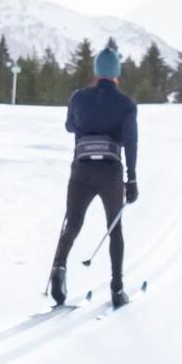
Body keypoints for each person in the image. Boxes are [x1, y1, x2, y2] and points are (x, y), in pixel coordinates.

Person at [48, 42, 138, 308]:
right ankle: (117, 289)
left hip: (81, 169)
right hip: (110, 173)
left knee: (73, 224)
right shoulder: (126, 105)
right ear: (116, 74)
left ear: (97, 72)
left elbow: (69, 126)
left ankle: (58, 270)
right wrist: (131, 178)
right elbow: (131, 142)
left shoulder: (79, 97)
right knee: (114, 229)